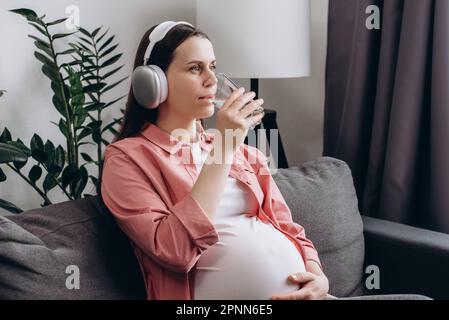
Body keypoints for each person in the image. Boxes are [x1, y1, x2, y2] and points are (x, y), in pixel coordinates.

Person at [100, 21, 330, 300]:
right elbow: (176, 252)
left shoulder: (245, 153)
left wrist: (317, 275)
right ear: (153, 82)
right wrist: (224, 147)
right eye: (195, 68)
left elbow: (288, 227)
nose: (212, 80)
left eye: (213, 66)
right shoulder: (127, 159)